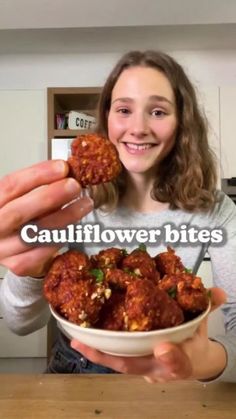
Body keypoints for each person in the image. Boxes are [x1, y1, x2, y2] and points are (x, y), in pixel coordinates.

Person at [0, 50, 236, 382]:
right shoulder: (68, 201)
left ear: (182, 122)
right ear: (107, 117)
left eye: (157, 111)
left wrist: (207, 360)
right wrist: (33, 268)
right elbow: (19, 323)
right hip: (73, 371)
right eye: (124, 109)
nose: (138, 128)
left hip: (168, 375)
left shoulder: (215, 209)